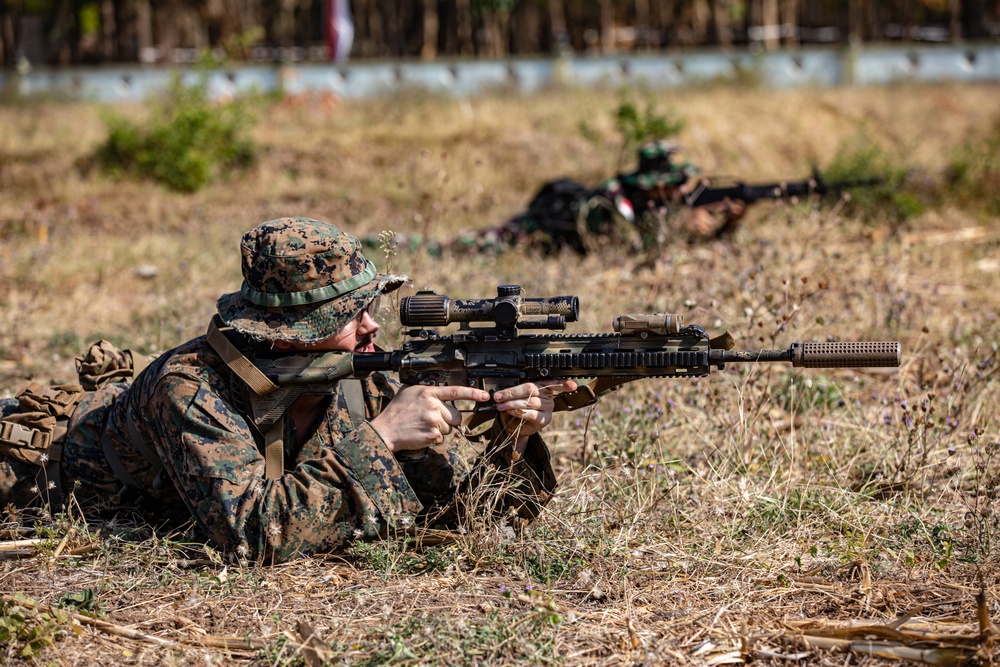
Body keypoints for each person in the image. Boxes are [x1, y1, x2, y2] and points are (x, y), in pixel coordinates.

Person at [0, 217, 575, 562]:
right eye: (351, 315)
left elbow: (457, 520)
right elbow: (253, 535)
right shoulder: (190, 389)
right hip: (30, 476)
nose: (372, 325)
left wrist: (512, 439)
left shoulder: (357, 377)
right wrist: (380, 439)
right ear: (292, 335)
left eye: (369, 306)